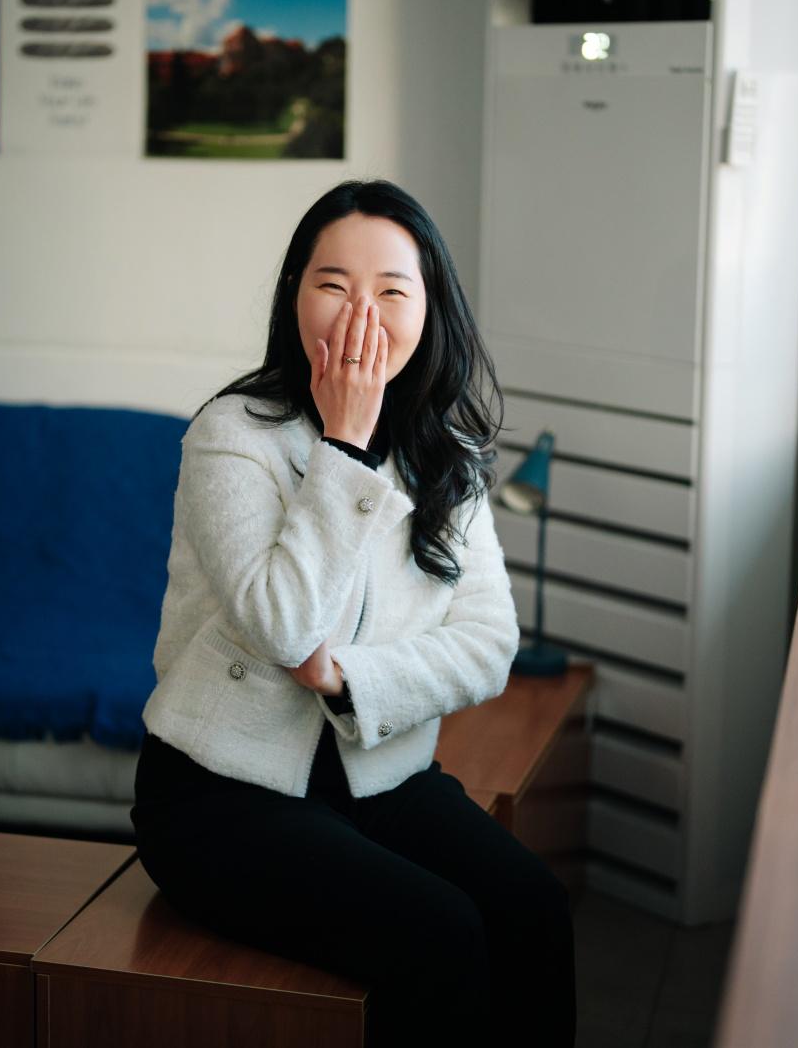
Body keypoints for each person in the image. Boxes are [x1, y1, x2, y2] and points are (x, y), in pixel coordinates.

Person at [130, 179, 576, 1047]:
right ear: (294, 297)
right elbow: (283, 627)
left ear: (430, 309)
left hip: (383, 780)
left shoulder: (447, 453)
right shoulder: (233, 434)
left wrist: (346, 678)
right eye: (332, 285)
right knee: (441, 932)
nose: (360, 314)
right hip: (221, 798)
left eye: (391, 291)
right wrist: (343, 444)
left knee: (533, 907)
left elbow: (489, 646)